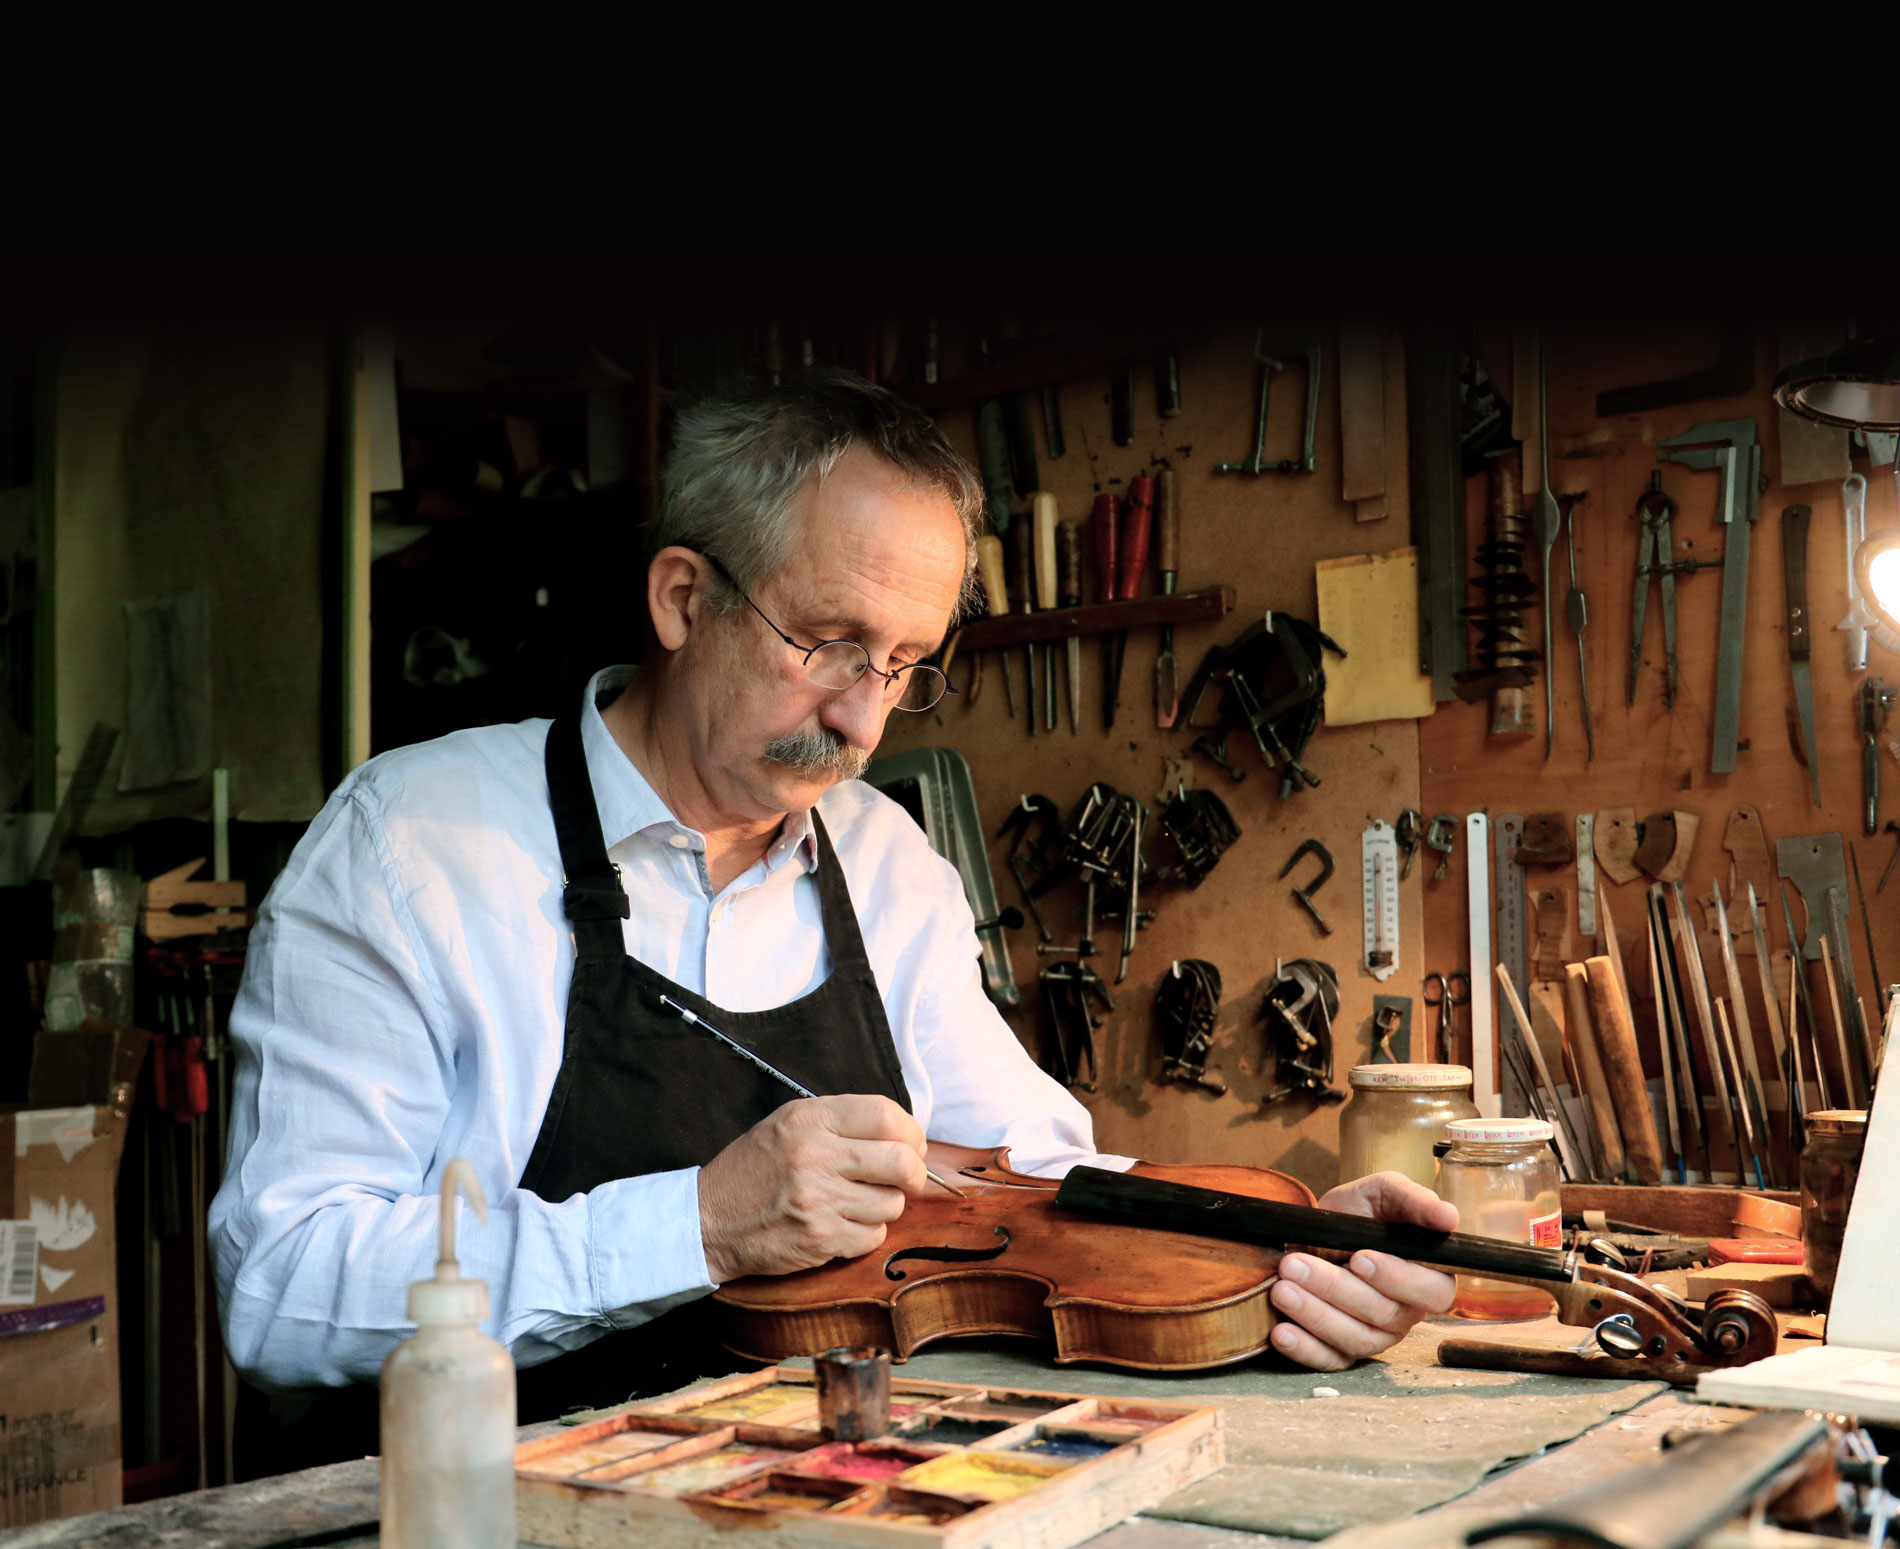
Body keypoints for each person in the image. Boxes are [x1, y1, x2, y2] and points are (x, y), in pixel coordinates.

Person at [209, 368, 1456, 1474]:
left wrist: (1273, 1249)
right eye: (830, 642)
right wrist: (697, 1224)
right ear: (683, 597)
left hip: (819, 1496)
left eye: (907, 662)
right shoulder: (410, 847)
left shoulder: (879, 853)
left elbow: (1025, 1186)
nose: (866, 720)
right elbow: (278, 1293)